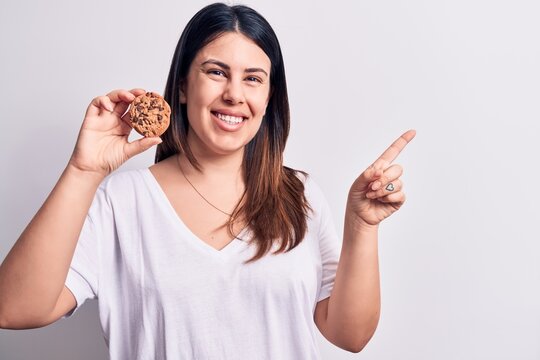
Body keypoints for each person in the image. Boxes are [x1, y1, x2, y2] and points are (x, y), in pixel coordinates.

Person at [0, 3, 415, 359]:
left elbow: (350, 335)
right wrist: (83, 171)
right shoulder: (120, 203)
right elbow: (13, 309)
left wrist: (361, 226)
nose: (234, 94)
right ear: (182, 87)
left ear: (268, 98)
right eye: (216, 72)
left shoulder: (300, 196)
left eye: (253, 78)